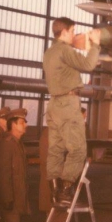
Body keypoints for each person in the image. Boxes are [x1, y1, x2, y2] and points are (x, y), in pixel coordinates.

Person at [43, 17, 101, 205]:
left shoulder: (49, 52)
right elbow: (88, 65)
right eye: (73, 30)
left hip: (53, 106)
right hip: (68, 104)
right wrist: (95, 46)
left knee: (55, 150)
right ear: (65, 32)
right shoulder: (64, 50)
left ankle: (54, 193)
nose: (75, 34)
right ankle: (65, 192)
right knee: (78, 150)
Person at [0, 108, 30, 222]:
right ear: (14, 125)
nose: (26, 125)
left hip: (17, 198)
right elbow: (3, 174)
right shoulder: (7, 144)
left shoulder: (18, 144)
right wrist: (7, 199)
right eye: (22, 122)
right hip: (11, 200)